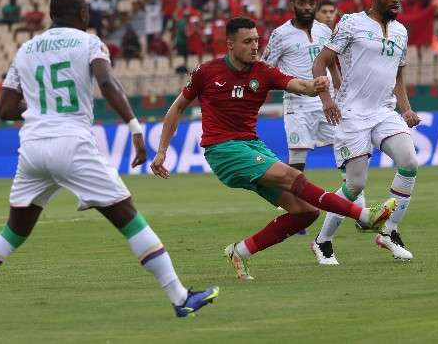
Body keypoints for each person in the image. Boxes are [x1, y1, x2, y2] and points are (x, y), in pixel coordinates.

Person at [0, 0, 218, 324]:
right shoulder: (89, 43)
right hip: (71, 144)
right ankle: (180, 297)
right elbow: (107, 82)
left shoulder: (25, 49)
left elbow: (5, 109)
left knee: (13, 231)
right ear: (83, 13)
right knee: (130, 219)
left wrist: (43, 107)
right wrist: (134, 128)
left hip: (32, 148)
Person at [150, 17, 395, 280]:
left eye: (256, 40)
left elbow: (300, 86)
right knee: (293, 176)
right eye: (248, 41)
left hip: (253, 147)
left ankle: (240, 251)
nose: (255, 46)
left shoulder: (263, 72)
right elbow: (176, 108)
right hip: (223, 151)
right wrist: (162, 150)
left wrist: (317, 86)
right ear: (230, 44)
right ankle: (364, 216)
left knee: (306, 212)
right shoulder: (206, 72)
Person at [310, 0, 422, 264]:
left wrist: (406, 108)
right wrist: (326, 101)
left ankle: (390, 231)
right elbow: (320, 62)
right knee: (356, 185)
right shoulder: (351, 23)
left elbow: (397, 75)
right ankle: (322, 241)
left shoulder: (401, 31)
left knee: (409, 162)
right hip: (352, 113)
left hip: (384, 111)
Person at [261, 0, 340, 234]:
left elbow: (332, 63)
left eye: (311, 3)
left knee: (348, 148)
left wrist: (338, 90)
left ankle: (354, 201)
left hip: (326, 101)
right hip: (297, 103)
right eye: (302, 3)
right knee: (298, 161)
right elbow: (265, 67)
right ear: (293, 4)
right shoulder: (280, 34)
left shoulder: (324, 31)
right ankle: (296, 212)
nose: (307, 7)